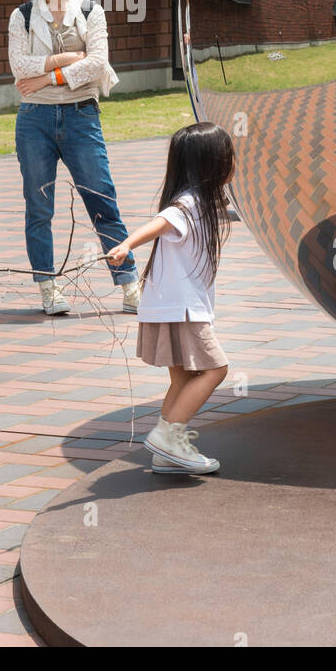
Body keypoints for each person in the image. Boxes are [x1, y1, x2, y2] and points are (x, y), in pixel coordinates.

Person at [8, 0, 141, 315]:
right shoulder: (22, 16)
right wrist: (66, 59)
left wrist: (48, 78)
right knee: (39, 207)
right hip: (34, 121)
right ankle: (48, 287)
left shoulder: (89, 11)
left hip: (81, 117)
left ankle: (129, 284)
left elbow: (97, 63)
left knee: (102, 200)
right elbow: (19, 67)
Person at [107, 123, 233, 475]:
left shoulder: (201, 201)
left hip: (169, 307)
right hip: (182, 309)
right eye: (229, 156)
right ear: (213, 163)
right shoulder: (188, 203)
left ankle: (167, 453)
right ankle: (168, 436)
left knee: (182, 380)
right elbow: (162, 222)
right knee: (216, 369)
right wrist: (127, 245)